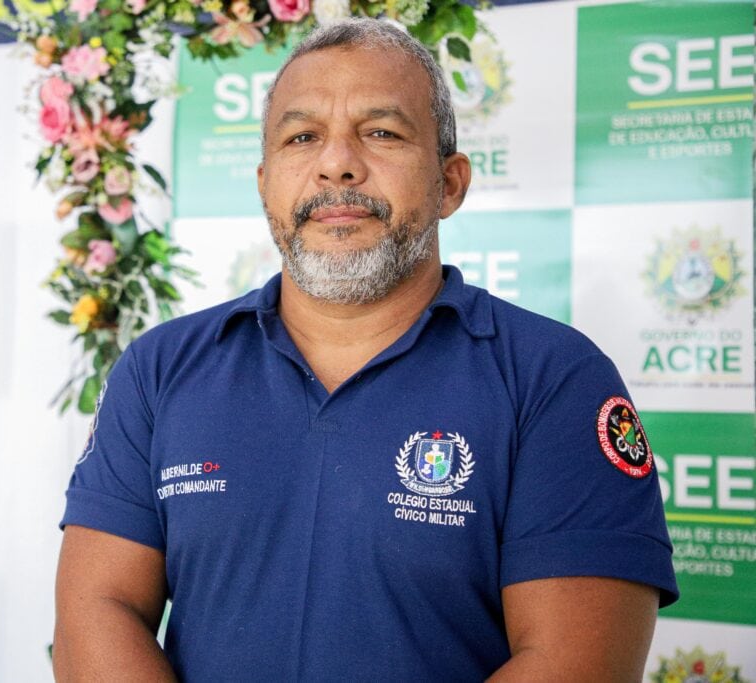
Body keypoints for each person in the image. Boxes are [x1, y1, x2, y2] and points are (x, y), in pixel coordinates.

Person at [53, 18, 678, 681]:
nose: (337, 163)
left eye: (381, 132)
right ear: (266, 184)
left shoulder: (555, 380)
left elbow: (574, 662)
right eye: (303, 137)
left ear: (450, 183)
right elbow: (99, 606)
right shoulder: (159, 370)